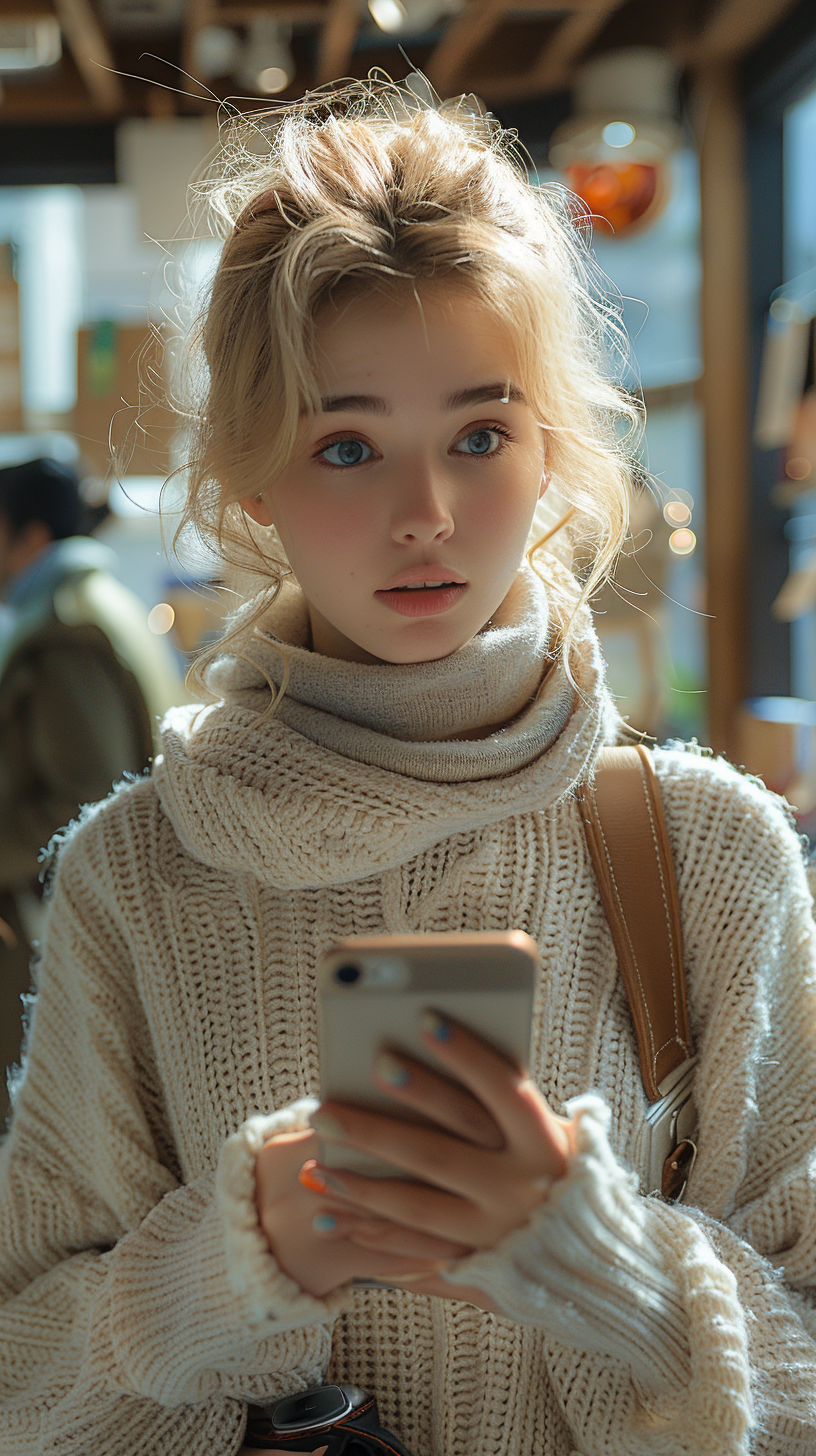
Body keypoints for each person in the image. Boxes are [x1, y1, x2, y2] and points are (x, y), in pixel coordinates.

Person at [1, 79, 815, 1456]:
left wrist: (603, 1262)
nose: (425, 514)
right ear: (253, 475)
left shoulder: (712, 855)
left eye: (480, 435)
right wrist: (237, 1260)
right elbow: (27, 1393)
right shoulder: (133, 879)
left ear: (551, 445)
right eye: (348, 445)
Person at [0, 456, 183, 1122]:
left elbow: (83, 803)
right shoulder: (98, 605)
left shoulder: (62, 627)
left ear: (31, 537)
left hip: (57, 935)